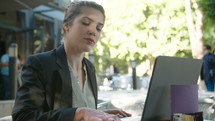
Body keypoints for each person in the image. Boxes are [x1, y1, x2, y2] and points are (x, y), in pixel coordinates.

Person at [12, 1, 131, 121]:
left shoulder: (89, 68)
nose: (93, 31)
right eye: (86, 23)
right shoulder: (40, 63)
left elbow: (73, 110)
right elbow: (23, 117)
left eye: (98, 28)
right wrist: (79, 113)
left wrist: (98, 114)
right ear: (67, 25)